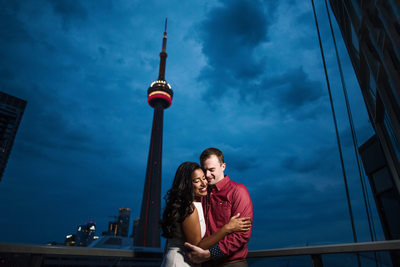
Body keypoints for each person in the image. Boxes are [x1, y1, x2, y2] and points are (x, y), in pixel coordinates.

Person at [160, 162, 251, 267]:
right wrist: (227, 228)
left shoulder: (185, 204)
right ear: (187, 184)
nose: (204, 184)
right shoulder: (189, 208)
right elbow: (196, 246)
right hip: (180, 262)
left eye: (203, 178)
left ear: (223, 166)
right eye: (197, 181)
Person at [184, 148, 254, 266]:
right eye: (204, 170)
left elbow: (242, 234)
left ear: (223, 166)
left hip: (231, 263)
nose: (207, 175)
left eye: (212, 170)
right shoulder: (200, 194)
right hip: (202, 263)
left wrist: (211, 253)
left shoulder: (238, 191)